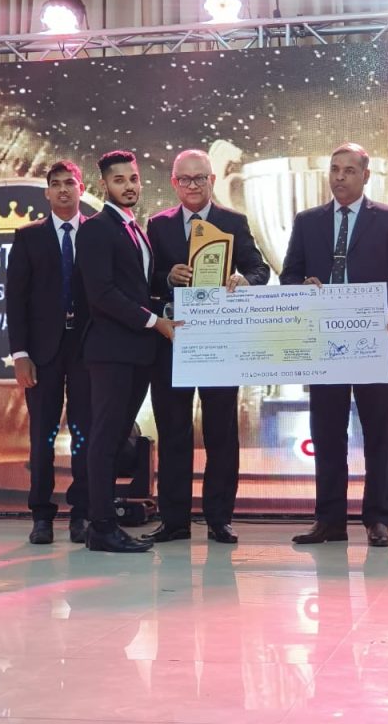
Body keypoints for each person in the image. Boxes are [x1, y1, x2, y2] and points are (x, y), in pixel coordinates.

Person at [280, 142, 388, 548]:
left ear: (365, 176)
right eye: (334, 170)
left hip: (376, 340)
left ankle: (378, 519)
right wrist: (301, 286)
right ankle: (329, 521)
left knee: (377, 434)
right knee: (326, 434)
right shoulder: (308, 221)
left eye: (348, 170)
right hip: (324, 343)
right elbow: (289, 274)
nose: (339, 177)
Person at [144, 148, 269, 544]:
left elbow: (260, 269)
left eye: (200, 178)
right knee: (173, 433)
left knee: (221, 434)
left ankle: (219, 519)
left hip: (219, 342)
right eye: (185, 179)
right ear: (174, 183)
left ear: (213, 181)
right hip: (172, 341)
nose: (193, 185)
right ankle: (174, 521)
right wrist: (167, 277)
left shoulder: (233, 221)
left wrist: (244, 281)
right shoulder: (157, 224)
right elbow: (143, 279)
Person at [75, 150, 178, 553]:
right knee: (105, 438)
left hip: (136, 352)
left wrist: (167, 280)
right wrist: (155, 322)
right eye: (119, 180)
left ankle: (103, 523)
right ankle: (100, 525)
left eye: (133, 178)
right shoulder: (96, 229)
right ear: (104, 185)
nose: (129, 186)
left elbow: (136, 285)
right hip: (111, 352)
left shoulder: (135, 228)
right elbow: (102, 294)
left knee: (118, 437)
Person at [6, 160, 91, 545]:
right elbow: (15, 299)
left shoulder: (97, 233)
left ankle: (82, 513)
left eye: (69, 183)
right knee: (42, 434)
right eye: (55, 184)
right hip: (42, 352)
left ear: (81, 189)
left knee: (84, 433)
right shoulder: (29, 237)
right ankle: (41, 514)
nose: (63, 190)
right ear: (47, 193)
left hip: (87, 348)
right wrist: (20, 354)